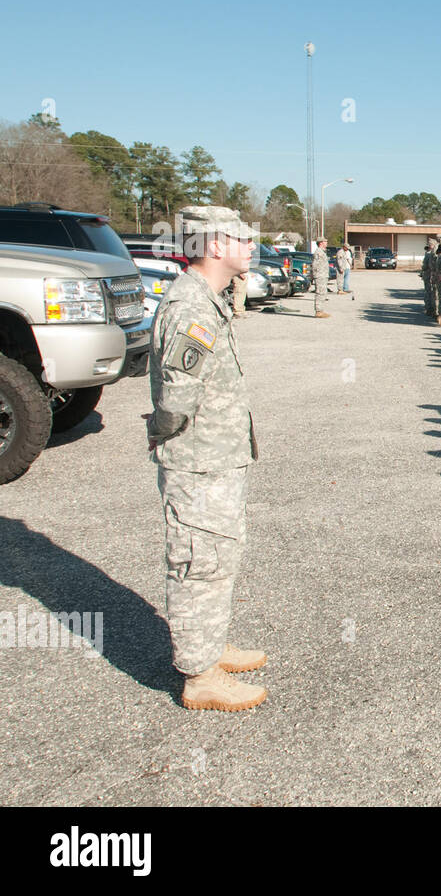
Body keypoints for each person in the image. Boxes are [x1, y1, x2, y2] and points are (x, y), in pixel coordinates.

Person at [146, 205, 266, 712]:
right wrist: (164, 436)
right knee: (199, 561)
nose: (251, 247)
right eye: (241, 239)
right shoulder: (191, 308)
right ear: (215, 246)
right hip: (200, 461)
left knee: (218, 555)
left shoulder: (206, 298)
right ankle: (199, 675)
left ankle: (209, 646)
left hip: (216, 456)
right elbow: (176, 398)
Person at [311, 238, 330, 318]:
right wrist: (316, 275)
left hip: (323, 275)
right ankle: (318, 311)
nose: (327, 243)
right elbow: (315, 265)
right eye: (325, 241)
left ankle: (321, 310)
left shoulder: (322, 252)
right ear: (321, 243)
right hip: (320, 275)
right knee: (319, 293)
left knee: (323, 293)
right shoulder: (318, 252)